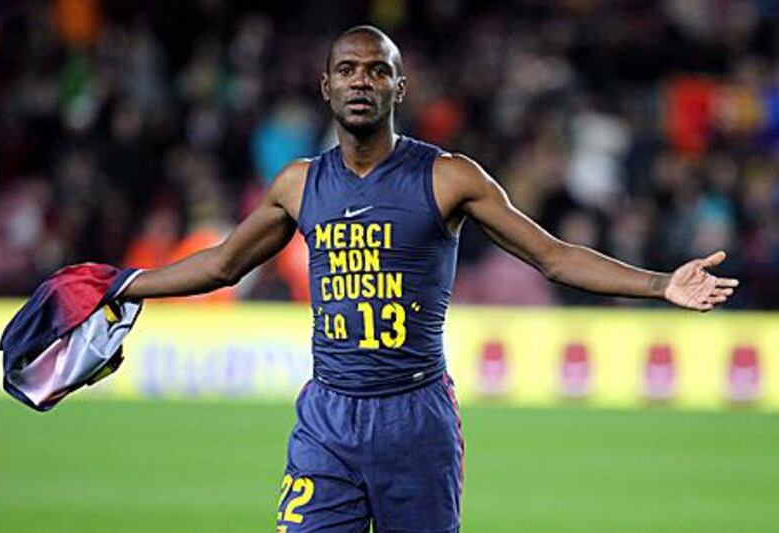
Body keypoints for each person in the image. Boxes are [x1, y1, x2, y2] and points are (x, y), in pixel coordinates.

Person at [120, 25, 739, 533]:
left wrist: (662, 284)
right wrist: (119, 286)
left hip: (415, 419)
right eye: (348, 69)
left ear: (400, 86)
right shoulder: (299, 184)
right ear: (326, 86)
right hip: (328, 417)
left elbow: (552, 256)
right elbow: (223, 263)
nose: (362, 80)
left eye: (378, 70)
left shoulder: (448, 177)